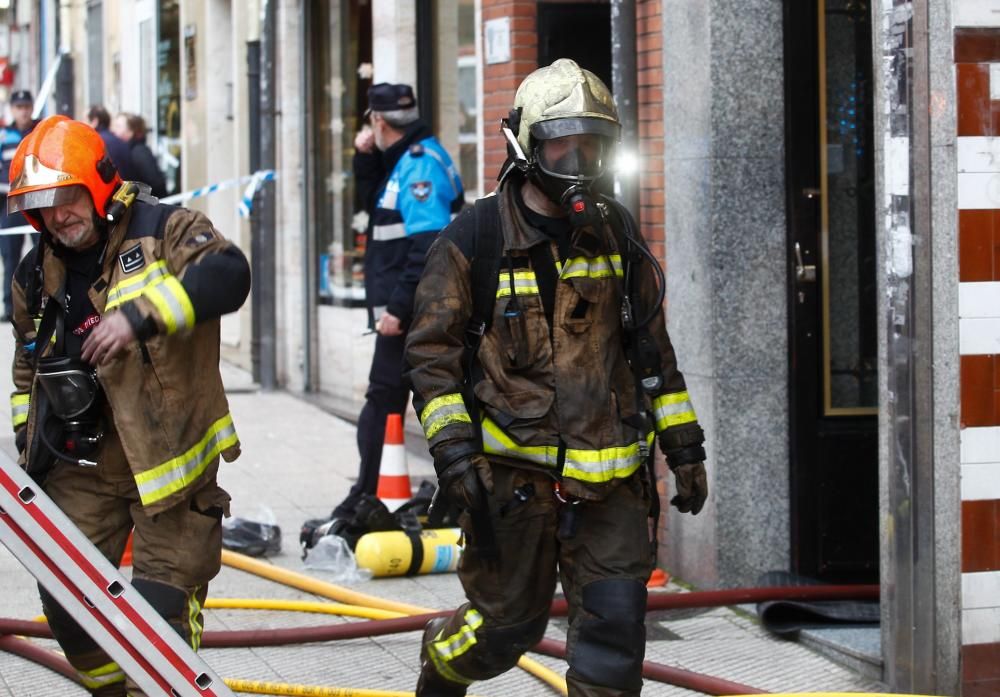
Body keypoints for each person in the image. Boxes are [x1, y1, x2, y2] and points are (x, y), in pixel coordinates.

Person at [405, 59, 709, 697]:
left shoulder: (618, 235)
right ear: (525, 144)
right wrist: (456, 454)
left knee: (615, 640)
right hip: (513, 485)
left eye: (592, 144)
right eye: (561, 143)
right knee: (502, 632)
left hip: (613, 485)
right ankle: (441, 661)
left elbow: (651, 352)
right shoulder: (474, 239)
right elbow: (431, 357)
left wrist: (684, 447)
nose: (578, 159)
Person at [7, 115, 250, 696]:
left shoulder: (166, 228)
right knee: (65, 600)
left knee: (157, 623)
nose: (56, 217)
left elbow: (228, 273)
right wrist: (29, 444)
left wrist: (140, 317)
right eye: (41, 206)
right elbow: (26, 370)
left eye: (66, 199)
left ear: (98, 185)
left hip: (172, 464)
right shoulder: (35, 272)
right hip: (83, 466)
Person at [328, 82, 464, 520]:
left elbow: (427, 245)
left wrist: (397, 309)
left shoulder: (419, 167)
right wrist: (364, 157)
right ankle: (372, 490)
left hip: (414, 313)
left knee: (385, 400)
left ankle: (368, 493)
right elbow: (376, 206)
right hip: (415, 310)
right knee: (399, 400)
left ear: (378, 120)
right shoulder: (407, 159)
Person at [0, 89, 40, 321]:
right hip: (10, 204)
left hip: (36, 201)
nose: (23, 111)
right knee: (10, 256)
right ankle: (9, 307)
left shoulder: (40, 131)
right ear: (13, 109)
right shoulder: (4, 136)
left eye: (26, 106)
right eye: (19, 107)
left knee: (42, 255)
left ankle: (38, 303)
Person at [110, 112, 168, 198]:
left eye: (118, 126)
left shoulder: (139, 152)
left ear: (131, 131)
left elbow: (156, 183)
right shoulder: (126, 150)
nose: (113, 130)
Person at [86, 105, 136, 181]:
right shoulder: (121, 141)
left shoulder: (94, 142)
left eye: (84, 119)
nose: (82, 122)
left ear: (95, 121)